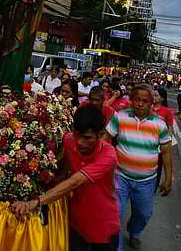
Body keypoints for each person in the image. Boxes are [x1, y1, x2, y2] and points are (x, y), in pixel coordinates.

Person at [11, 106, 120, 251]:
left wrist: (37, 201)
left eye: (87, 138)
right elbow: (63, 165)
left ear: (100, 135)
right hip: (76, 221)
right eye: (77, 135)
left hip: (103, 223)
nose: (80, 142)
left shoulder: (108, 155)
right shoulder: (69, 140)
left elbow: (74, 182)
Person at [104, 83, 172, 250]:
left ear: (151, 103)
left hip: (147, 181)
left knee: (143, 213)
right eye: (137, 100)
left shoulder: (160, 125)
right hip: (120, 178)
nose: (140, 104)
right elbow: (105, 139)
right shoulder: (119, 117)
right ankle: (117, 247)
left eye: (145, 101)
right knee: (115, 214)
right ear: (131, 101)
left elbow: (166, 153)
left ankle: (134, 232)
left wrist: (168, 179)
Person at [152, 88, 175, 191]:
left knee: (158, 165)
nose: (153, 97)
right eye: (153, 95)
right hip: (148, 141)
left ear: (162, 98)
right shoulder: (148, 109)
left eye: (156, 95)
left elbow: (170, 126)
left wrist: (168, 141)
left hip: (160, 144)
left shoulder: (167, 111)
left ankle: (154, 186)